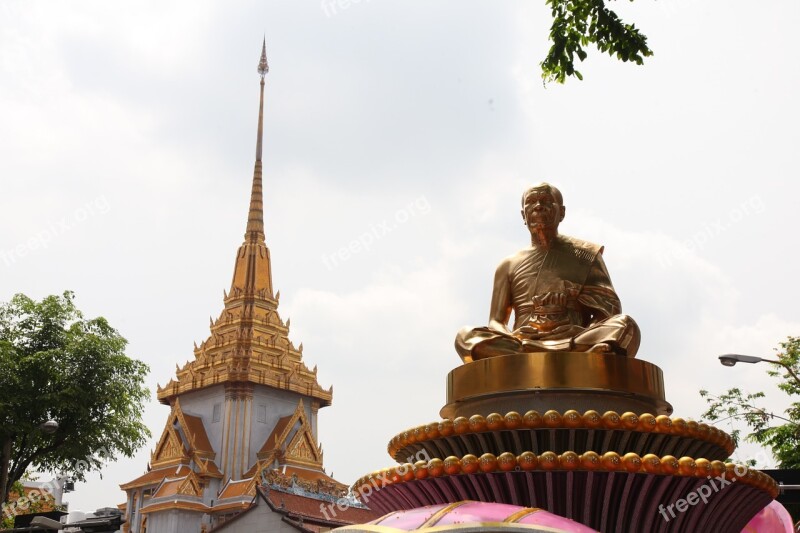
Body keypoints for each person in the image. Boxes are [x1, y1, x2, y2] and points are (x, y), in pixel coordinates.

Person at [455, 182, 640, 363]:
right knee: (465, 337)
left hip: (573, 336)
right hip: (524, 340)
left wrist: (577, 331)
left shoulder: (584, 255)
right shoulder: (508, 265)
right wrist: (514, 337)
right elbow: (495, 321)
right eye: (532, 202)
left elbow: (608, 313)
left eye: (546, 201)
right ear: (523, 215)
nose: (538, 206)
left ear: (562, 212)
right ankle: (562, 351)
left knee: (625, 325)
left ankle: (560, 348)